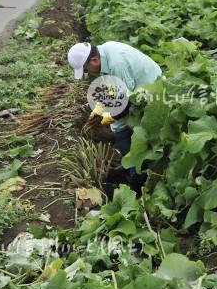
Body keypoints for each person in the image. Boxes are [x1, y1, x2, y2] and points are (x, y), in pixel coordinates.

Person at [67, 41, 162, 190]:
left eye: (86, 69)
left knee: (124, 128)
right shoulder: (103, 53)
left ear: (94, 60)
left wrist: (111, 117)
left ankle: (137, 177)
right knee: (118, 127)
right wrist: (100, 108)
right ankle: (130, 166)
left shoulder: (117, 64)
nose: (87, 73)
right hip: (133, 88)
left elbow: (127, 101)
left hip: (151, 89)